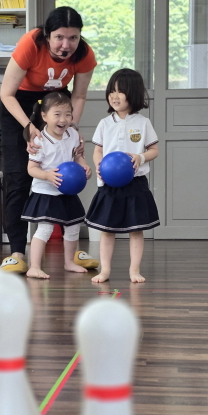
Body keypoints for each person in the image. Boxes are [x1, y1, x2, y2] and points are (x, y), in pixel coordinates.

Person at [0, 6, 97, 274]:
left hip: (56, 105)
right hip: (19, 105)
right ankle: (18, 252)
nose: (66, 45)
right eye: (59, 37)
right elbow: (6, 94)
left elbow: (78, 96)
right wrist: (29, 127)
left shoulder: (85, 55)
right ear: (47, 35)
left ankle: (70, 252)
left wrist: (71, 129)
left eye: (73, 38)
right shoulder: (31, 44)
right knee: (19, 178)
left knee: (63, 173)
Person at [84, 68, 160, 283]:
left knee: (136, 230)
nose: (114, 96)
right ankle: (105, 270)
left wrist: (140, 157)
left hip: (135, 183)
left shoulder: (143, 123)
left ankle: (134, 270)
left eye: (121, 91)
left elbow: (154, 150)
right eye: (112, 91)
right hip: (109, 184)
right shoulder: (104, 123)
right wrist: (99, 165)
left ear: (133, 94)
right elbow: (97, 150)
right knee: (107, 230)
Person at [19, 92, 93, 279]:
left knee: (74, 226)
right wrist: (47, 175)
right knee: (45, 228)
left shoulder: (73, 135)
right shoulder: (39, 141)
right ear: (44, 116)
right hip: (46, 192)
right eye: (57, 114)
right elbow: (31, 168)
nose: (63, 119)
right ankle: (34, 266)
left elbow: (77, 156)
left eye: (68, 114)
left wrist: (84, 166)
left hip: (68, 191)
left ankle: (69, 262)